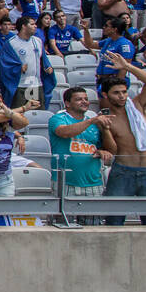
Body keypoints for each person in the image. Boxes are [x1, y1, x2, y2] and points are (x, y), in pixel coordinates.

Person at [96, 52, 146, 226]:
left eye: (124, 92)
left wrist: (127, 67)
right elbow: (113, 151)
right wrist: (106, 130)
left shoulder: (139, 105)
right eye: (116, 93)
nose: (122, 96)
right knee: (114, 221)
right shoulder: (107, 118)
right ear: (105, 95)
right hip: (123, 171)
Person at [49, 86, 113, 225]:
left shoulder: (95, 123)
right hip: (65, 181)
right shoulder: (58, 119)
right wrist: (91, 121)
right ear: (67, 103)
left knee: (93, 228)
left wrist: (106, 131)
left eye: (86, 99)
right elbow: (64, 133)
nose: (84, 102)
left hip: (93, 182)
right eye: (79, 99)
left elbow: (111, 149)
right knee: (61, 227)